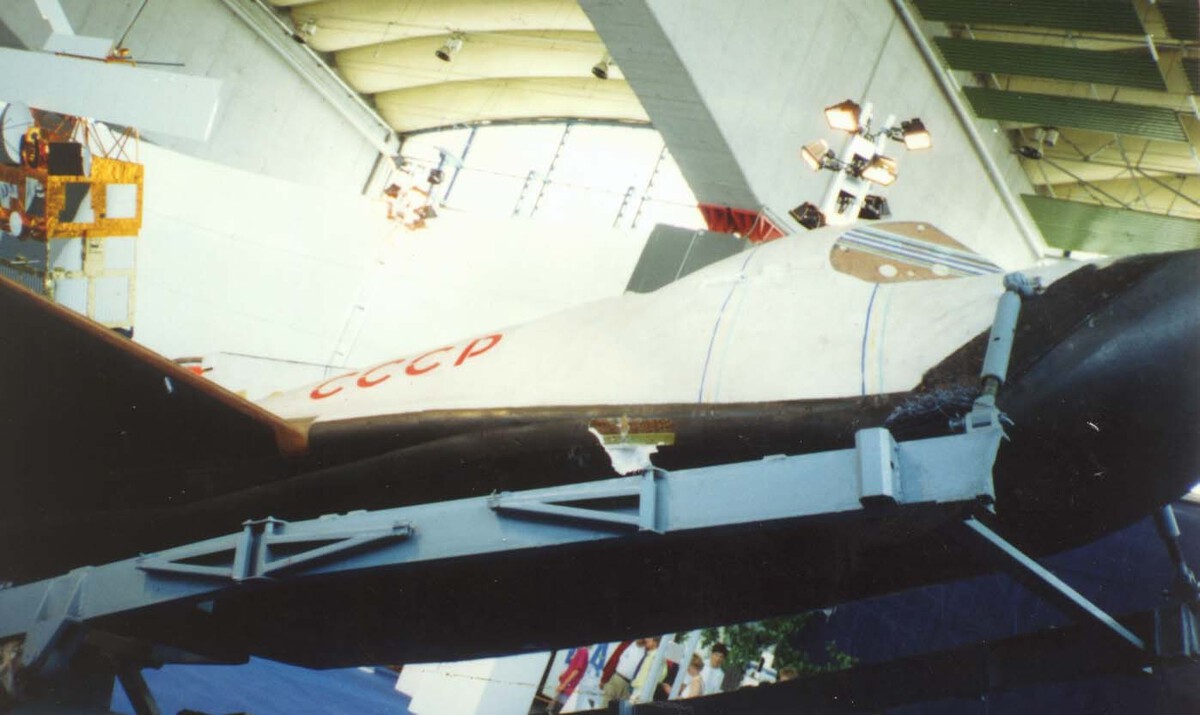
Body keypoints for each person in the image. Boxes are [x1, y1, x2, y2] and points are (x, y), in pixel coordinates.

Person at [600, 639, 645, 706]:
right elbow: (613, 658)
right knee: (606, 706)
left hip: (629, 686)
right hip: (615, 678)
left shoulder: (646, 651)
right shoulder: (627, 643)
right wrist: (604, 679)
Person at [549, 646, 589, 714]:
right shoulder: (579, 651)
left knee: (557, 709)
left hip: (568, 687)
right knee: (552, 707)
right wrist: (564, 674)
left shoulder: (583, 651)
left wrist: (563, 685)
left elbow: (577, 671)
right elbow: (573, 668)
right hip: (566, 685)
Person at [628, 637, 666, 704]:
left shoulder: (657, 656)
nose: (646, 639)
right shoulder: (650, 654)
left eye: (649, 638)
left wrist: (647, 685)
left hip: (642, 692)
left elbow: (662, 675)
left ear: (655, 641)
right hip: (637, 689)